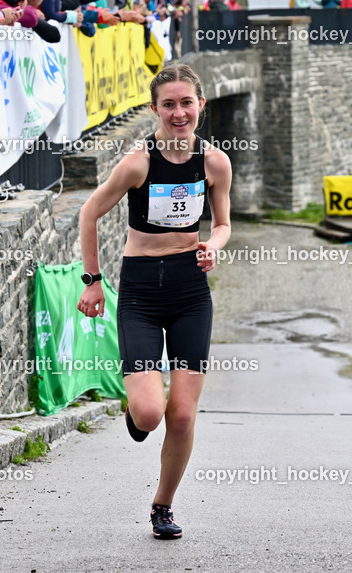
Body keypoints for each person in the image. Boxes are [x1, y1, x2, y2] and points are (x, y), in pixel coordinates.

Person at [77, 64, 232, 540]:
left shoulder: (215, 163)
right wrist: (93, 281)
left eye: (187, 102)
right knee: (149, 414)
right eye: (169, 104)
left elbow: (223, 223)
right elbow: (88, 213)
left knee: (182, 414)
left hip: (190, 290)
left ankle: (162, 505)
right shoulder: (138, 162)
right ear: (155, 110)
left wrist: (214, 246)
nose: (179, 112)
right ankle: (135, 408)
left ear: (201, 105)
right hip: (142, 291)